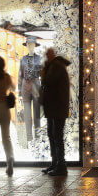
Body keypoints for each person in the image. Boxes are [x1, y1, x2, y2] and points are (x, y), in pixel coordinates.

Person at [40, 48, 71, 176]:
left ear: (52, 55)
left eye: (48, 54)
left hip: (56, 107)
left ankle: (61, 165)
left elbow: (48, 81)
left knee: (56, 136)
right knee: (53, 135)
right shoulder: (55, 66)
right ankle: (56, 163)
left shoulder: (56, 66)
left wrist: (44, 71)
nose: (46, 56)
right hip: (55, 107)